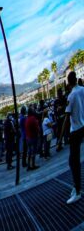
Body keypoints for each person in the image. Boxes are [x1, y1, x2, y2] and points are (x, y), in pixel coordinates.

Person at [64, 71, 84, 204]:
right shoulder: (82, 89)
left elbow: (67, 117)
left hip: (76, 130)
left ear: (68, 82)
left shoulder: (71, 96)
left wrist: (60, 138)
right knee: (74, 161)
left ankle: (77, 191)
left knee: (73, 162)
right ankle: (76, 188)